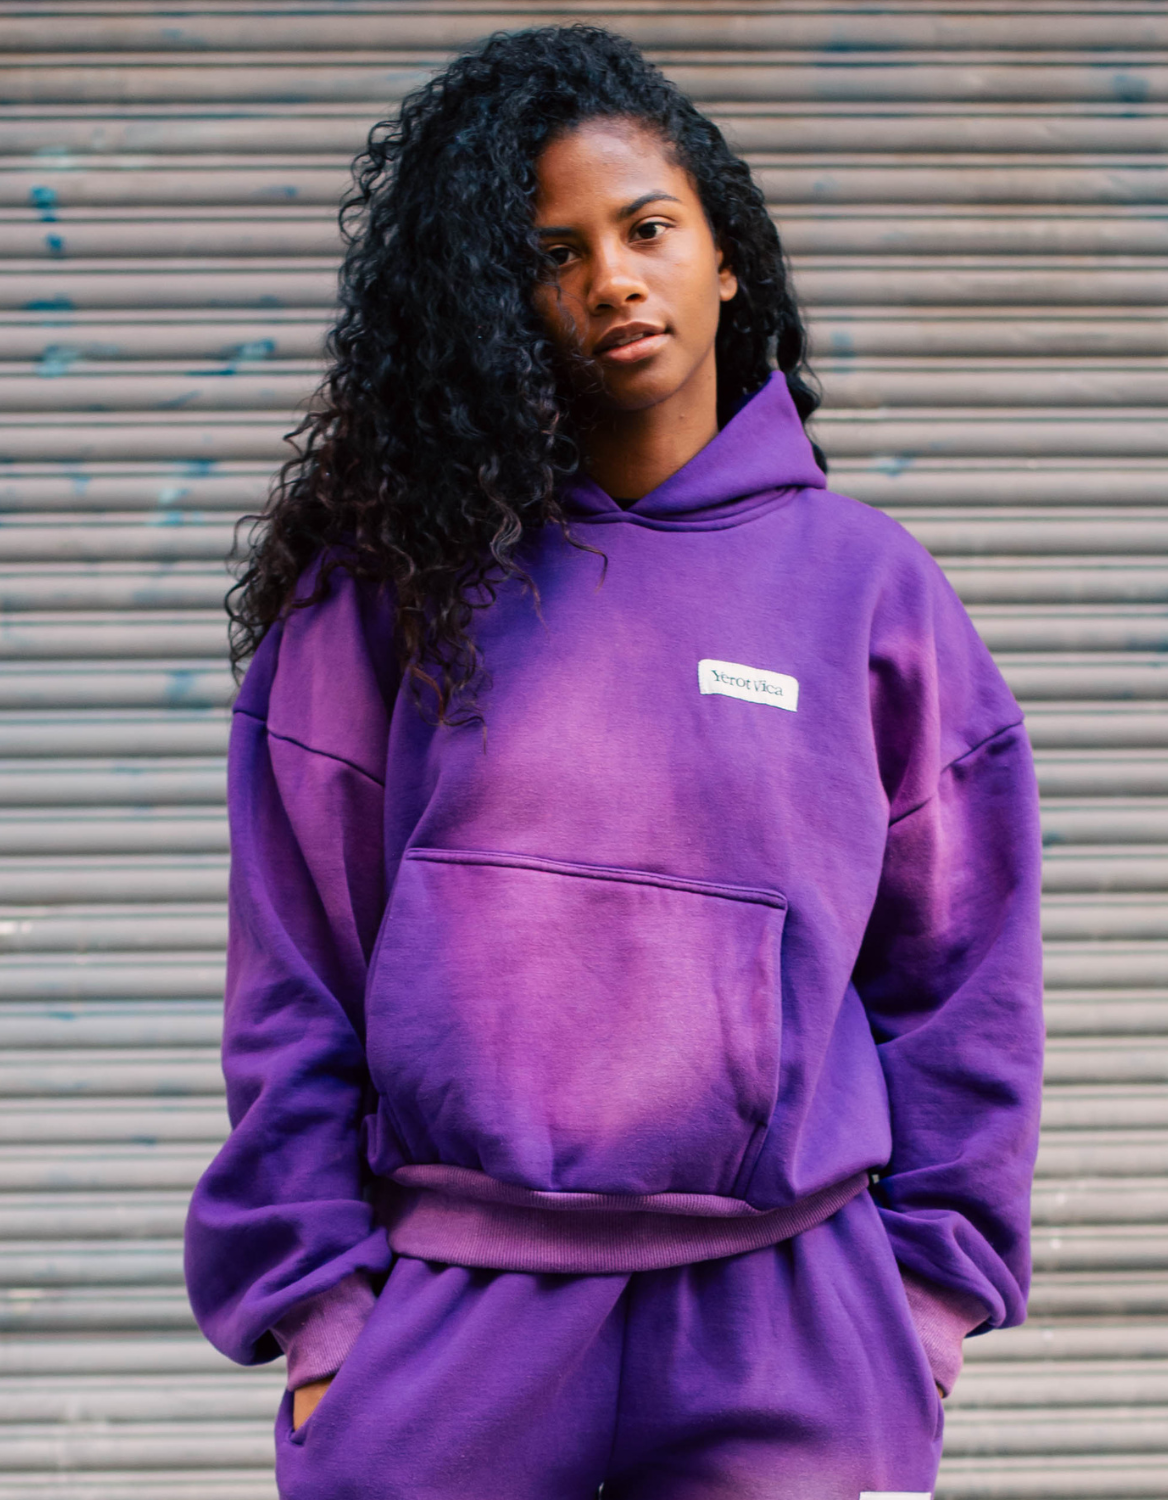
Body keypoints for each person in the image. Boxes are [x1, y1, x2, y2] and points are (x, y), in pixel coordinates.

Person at [184, 24, 1043, 1500]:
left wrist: (922, 1307)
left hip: (791, 1314)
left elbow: (966, 980)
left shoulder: (867, 593)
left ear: (727, 258)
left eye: (648, 229)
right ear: (498, 302)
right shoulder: (394, 592)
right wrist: (326, 1321)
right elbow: (295, 974)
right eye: (554, 254)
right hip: (455, 1317)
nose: (612, 279)